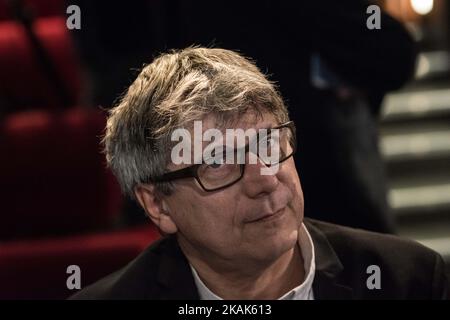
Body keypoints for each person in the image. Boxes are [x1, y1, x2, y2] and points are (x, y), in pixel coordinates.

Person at [71, 47, 448, 300]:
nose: (265, 178)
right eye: (217, 161)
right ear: (157, 204)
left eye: (268, 144)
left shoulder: (410, 281)